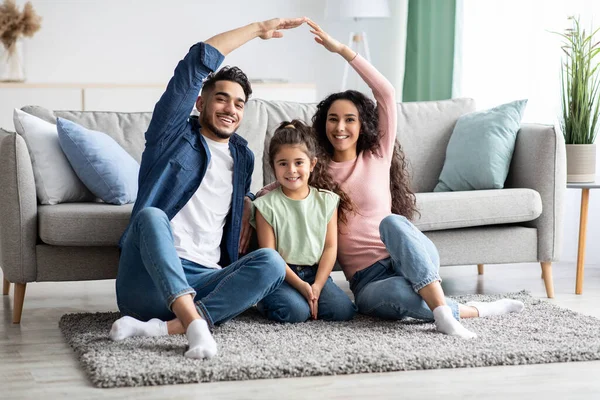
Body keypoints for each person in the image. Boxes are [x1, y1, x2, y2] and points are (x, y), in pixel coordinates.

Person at [264, 19, 524, 338]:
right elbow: (280, 184)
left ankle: (442, 311)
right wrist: (250, 203)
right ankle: (473, 310)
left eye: (350, 119)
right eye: (333, 119)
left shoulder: (378, 155)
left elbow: (385, 92)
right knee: (402, 297)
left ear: (363, 125)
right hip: (369, 282)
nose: (340, 127)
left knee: (393, 223)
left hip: (407, 257)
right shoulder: (315, 170)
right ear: (323, 125)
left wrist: (343, 50)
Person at [108, 17, 307, 359]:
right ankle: (197, 327)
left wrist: (247, 201)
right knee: (152, 217)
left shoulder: (242, 156)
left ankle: (166, 327)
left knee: (279, 278)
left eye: (239, 103)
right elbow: (196, 61)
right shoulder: (169, 136)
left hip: (206, 278)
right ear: (200, 102)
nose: (230, 109)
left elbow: (229, 201)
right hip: (150, 279)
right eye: (222, 99)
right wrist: (258, 29)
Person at [253, 120, 357, 323]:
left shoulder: (327, 201)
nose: (291, 170)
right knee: (295, 313)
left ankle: (308, 297)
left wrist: (317, 286)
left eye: (298, 163)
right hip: (281, 275)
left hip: (316, 273)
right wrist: (301, 286)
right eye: (283, 163)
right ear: (273, 166)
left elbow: (330, 247)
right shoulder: (265, 205)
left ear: (312, 164)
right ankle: (265, 300)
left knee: (343, 311)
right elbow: (270, 256)